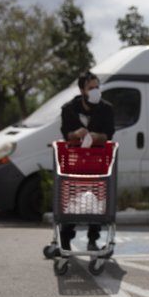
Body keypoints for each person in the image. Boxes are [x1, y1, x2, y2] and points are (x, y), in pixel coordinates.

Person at [59, 71, 115, 250]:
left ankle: (93, 239)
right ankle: (65, 238)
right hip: (75, 162)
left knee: (97, 201)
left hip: (97, 161)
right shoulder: (69, 109)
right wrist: (76, 134)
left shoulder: (106, 109)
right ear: (82, 90)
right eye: (91, 88)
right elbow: (66, 134)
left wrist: (97, 136)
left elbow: (109, 134)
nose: (95, 91)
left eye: (97, 87)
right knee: (71, 199)